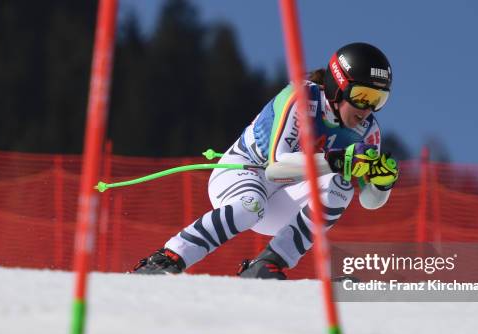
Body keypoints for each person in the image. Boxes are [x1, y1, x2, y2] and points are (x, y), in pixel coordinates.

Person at [132, 42, 399, 279]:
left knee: (340, 185)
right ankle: (169, 257)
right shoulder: (303, 98)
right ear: (338, 87)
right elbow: (276, 168)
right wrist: (338, 160)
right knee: (251, 205)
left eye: (378, 100)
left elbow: (369, 203)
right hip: (245, 172)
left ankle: (267, 263)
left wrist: (381, 185)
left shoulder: (368, 132)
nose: (367, 109)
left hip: (283, 200)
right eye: (362, 96)